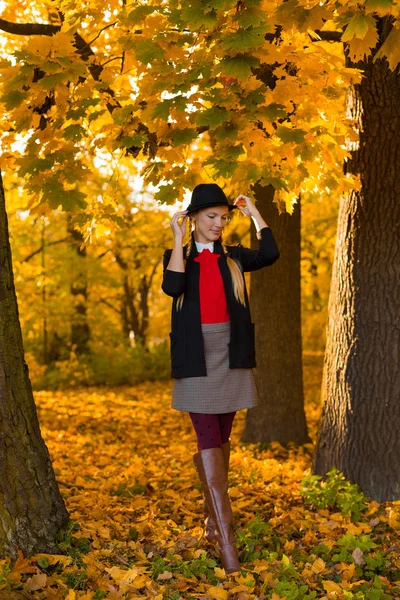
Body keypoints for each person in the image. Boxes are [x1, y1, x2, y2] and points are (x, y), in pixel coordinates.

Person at [161, 183, 280, 574]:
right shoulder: (177, 257)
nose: (218, 224)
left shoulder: (233, 257)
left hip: (231, 354)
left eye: (224, 218)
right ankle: (228, 546)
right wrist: (178, 238)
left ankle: (213, 522)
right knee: (207, 438)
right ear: (193, 218)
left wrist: (256, 215)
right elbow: (172, 287)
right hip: (196, 357)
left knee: (223, 439)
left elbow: (270, 254)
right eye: (211, 216)